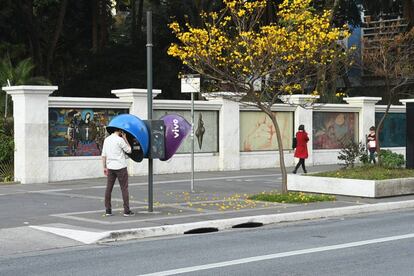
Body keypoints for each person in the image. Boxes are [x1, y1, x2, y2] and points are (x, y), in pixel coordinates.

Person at [101, 128, 134, 217]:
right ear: (120, 131)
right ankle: (126, 211)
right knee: (124, 188)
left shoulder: (106, 140)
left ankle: (108, 210)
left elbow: (103, 155)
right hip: (121, 167)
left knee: (109, 188)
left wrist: (104, 167)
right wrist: (125, 138)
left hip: (110, 167)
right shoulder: (120, 140)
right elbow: (129, 150)